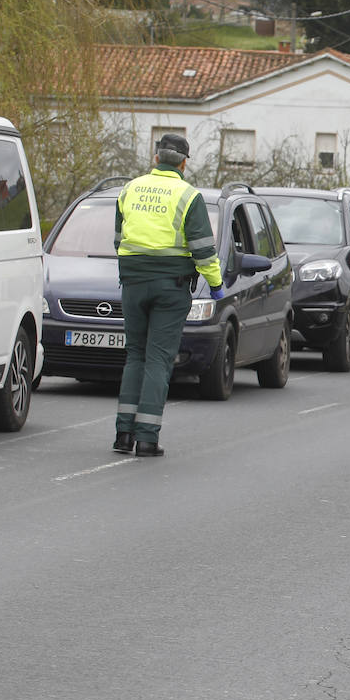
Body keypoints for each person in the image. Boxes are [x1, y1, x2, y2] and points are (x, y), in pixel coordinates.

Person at [112, 133, 223, 457]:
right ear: (184, 162)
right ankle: (146, 437)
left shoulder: (129, 189)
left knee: (135, 355)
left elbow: (119, 240)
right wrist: (214, 285)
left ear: (156, 157)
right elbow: (203, 249)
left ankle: (123, 434)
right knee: (158, 359)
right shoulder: (188, 196)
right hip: (171, 286)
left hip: (133, 283)